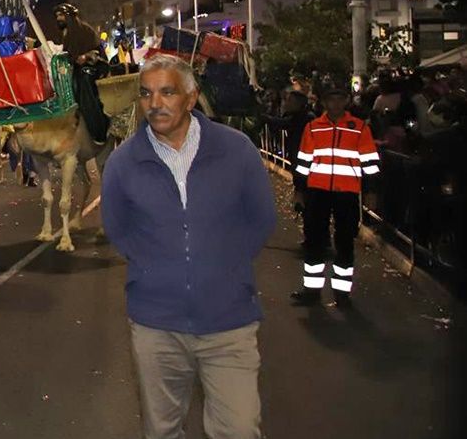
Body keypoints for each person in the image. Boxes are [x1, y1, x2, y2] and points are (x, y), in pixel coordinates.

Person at [102, 54, 276, 439]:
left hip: (229, 324)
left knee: (239, 429)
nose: (155, 103)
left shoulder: (237, 150)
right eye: (146, 94)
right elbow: (118, 229)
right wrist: (157, 269)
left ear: (191, 97)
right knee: (161, 430)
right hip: (156, 328)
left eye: (167, 92)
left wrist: (222, 267)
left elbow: (261, 220)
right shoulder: (122, 164)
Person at [290, 80, 380, 308]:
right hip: (317, 192)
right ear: (324, 102)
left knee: (345, 242)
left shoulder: (359, 128)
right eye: (331, 98)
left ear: (347, 101)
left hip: (347, 193)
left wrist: (370, 191)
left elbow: (370, 163)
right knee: (314, 241)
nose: (336, 103)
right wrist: (299, 191)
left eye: (340, 98)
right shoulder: (313, 128)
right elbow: (303, 164)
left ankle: (342, 293)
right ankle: (312, 291)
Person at [47, 3, 109, 144]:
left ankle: (98, 129)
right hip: (75, 69)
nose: (59, 18)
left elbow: (97, 52)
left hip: (91, 68)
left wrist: (85, 57)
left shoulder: (85, 30)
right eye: (57, 16)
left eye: (61, 15)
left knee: (84, 84)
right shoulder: (65, 34)